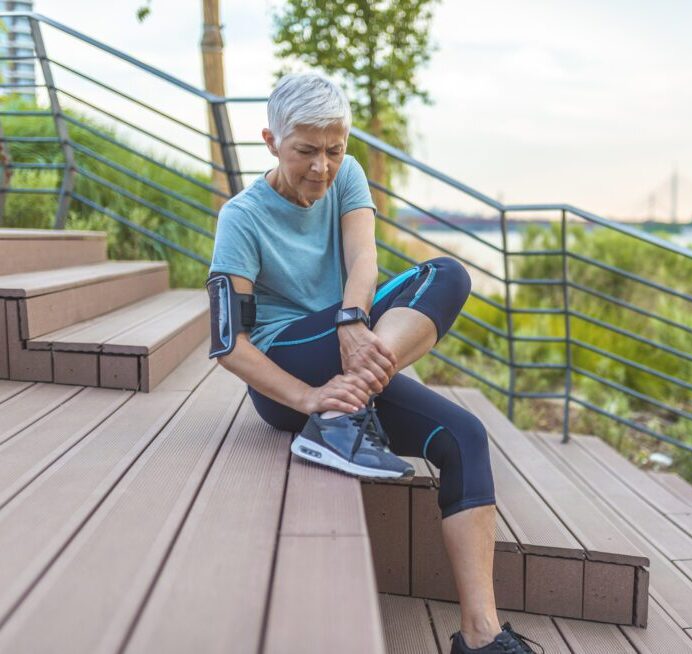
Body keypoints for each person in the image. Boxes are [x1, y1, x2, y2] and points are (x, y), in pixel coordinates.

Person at [206, 72, 540, 653]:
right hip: (288, 373)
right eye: (305, 151)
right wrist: (310, 398)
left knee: (464, 433)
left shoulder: (348, 175)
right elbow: (229, 344)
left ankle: (482, 636)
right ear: (270, 141)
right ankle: (332, 416)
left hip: (346, 359)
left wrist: (351, 321)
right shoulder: (241, 217)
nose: (322, 167)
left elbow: (364, 258)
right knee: (438, 277)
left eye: (334, 150)